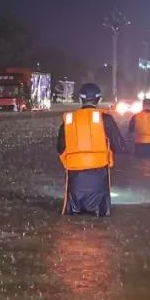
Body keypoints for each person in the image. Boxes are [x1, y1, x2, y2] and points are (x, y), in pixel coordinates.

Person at [56, 83, 126, 216]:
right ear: (99, 100)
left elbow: (60, 148)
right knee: (100, 217)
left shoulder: (69, 120)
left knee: (73, 216)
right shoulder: (105, 119)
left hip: (74, 176)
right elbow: (119, 145)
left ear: (80, 99)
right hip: (99, 174)